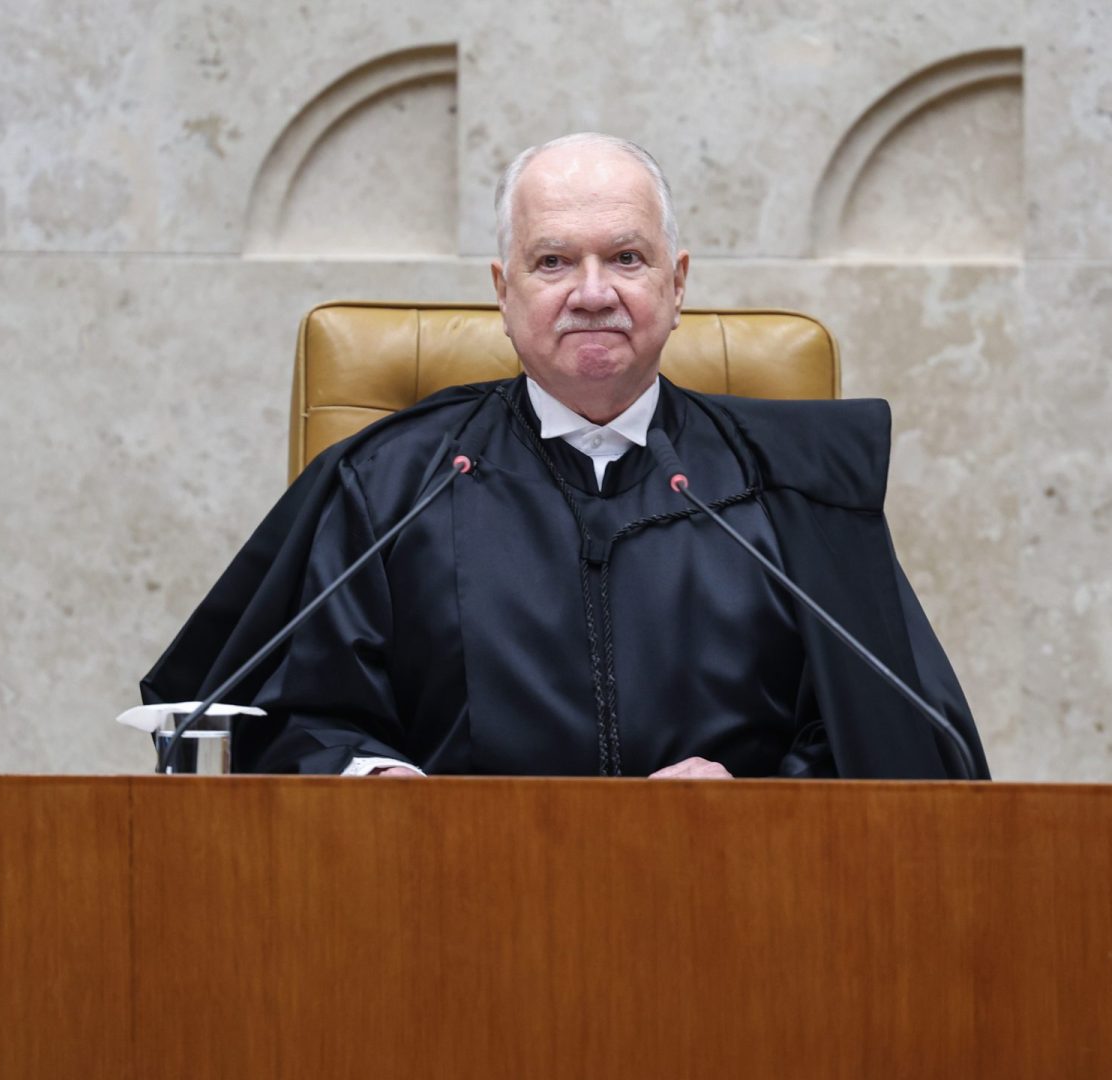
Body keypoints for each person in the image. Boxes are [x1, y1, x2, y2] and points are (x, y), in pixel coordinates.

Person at [141, 133, 990, 780]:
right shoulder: (388, 487)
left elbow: (895, 734)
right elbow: (294, 718)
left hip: (740, 919)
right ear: (502, 290)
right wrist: (371, 781)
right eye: (553, 261)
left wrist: (760, 796)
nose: (593, 293)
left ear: (677, 283)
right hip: (440, 923)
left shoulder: (792, 485)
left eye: (626, 257)